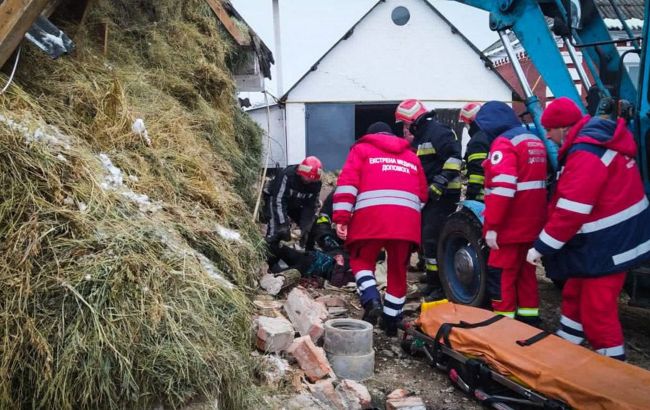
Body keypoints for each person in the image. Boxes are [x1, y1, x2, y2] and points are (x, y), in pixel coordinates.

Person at [526, 97, 650, 360]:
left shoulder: (586, 153)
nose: (546, 135)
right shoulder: (593, 145)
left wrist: (542, 247)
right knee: (574, 291)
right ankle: (567, 345)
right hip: (613, 239)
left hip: (611, 245)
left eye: (549, 129)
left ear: (563, 128)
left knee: (598, 310)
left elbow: (572, 209)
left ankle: (612, 371)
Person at [333, 121, 428, 336]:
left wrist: (342, 218)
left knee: (361, 261)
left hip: (370, 219)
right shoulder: (412, 156)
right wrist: (406, 215)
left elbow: (347, 183)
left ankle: (371, 299)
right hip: (406, 223)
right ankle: (391, 320)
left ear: (370, 135)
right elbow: (422, 195)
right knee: (398, 271)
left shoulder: (362, 149)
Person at [475, 101, 548, 324]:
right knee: (526, 274)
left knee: (502, 274)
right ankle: (530, 321)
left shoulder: (503, 144)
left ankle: (504, 326)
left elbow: (502, 189)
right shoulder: (533, 140)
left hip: (509, 225)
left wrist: (492, 226)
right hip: (533, 223)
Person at [395, 99, 462, 301]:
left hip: (444, 195)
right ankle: (433, 281)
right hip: (429, 195)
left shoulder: (439, 131)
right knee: (427, 240)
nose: (405, 128)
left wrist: (440, 183)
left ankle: (441, 286)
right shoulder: (423, 135)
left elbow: (454, 158)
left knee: (433, 238)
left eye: (406, 124)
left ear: (415, 120)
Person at [263, 156, 323, 264]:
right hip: (275, 199)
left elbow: (310, 207)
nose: (309, 180)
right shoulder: (287, 175)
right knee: (275, 230)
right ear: (301, 172)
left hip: (295, 203)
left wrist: (305, 227)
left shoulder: (316, 184)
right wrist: (283, 224)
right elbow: (278, 200)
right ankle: (270, 262)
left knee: (313, 226)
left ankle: (309, 257)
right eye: (307, 177)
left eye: (312, 179)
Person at [459, 102, 489, 202]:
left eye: (466, 122)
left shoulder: (478, 140)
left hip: (480, 197)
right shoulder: (489, 134)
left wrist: (471, 194)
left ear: (471, 121)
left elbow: (477, 169)